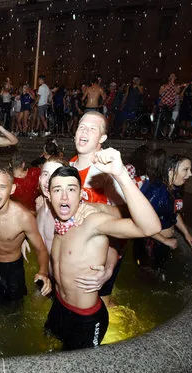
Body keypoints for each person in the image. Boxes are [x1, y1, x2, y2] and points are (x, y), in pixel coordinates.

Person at [45, 154, 160, 350]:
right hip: (59, 307)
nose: (64, 197)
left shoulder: (92, 221)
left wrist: (121, 174)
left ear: (81, 194)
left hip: (85, 319)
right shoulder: (59, 222)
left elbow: (150, 227)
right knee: (47, 348)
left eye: (71, 189)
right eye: (58, 190)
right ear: (49, 195)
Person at [69, 111, 129, 308]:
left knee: (101, 310)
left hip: (101, 259)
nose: (84, 131)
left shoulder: (107, 171)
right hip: (76, 254)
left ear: (102, 138)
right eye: (81, 126)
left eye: (92, 128)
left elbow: (131, 218)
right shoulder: (68, 167)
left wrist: (109, 267)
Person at [0, 166, 51, 307]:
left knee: (11, 312)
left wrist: (43, 273)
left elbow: (41, 250)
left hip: (12, 270)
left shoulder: (24, 218)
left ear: (13, 189)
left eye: (2, 187)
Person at [133, 150, 192, 270]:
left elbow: (174, 213)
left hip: (162, 242)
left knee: (159, 269)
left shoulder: (175, 188)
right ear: (171, 171)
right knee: (148, 274)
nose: (190, 174)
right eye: (186, 170)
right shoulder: (157, 191)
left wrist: (186, 234)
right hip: (150, 244)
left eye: (190, 170)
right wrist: (165, 240)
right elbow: (141, 222)